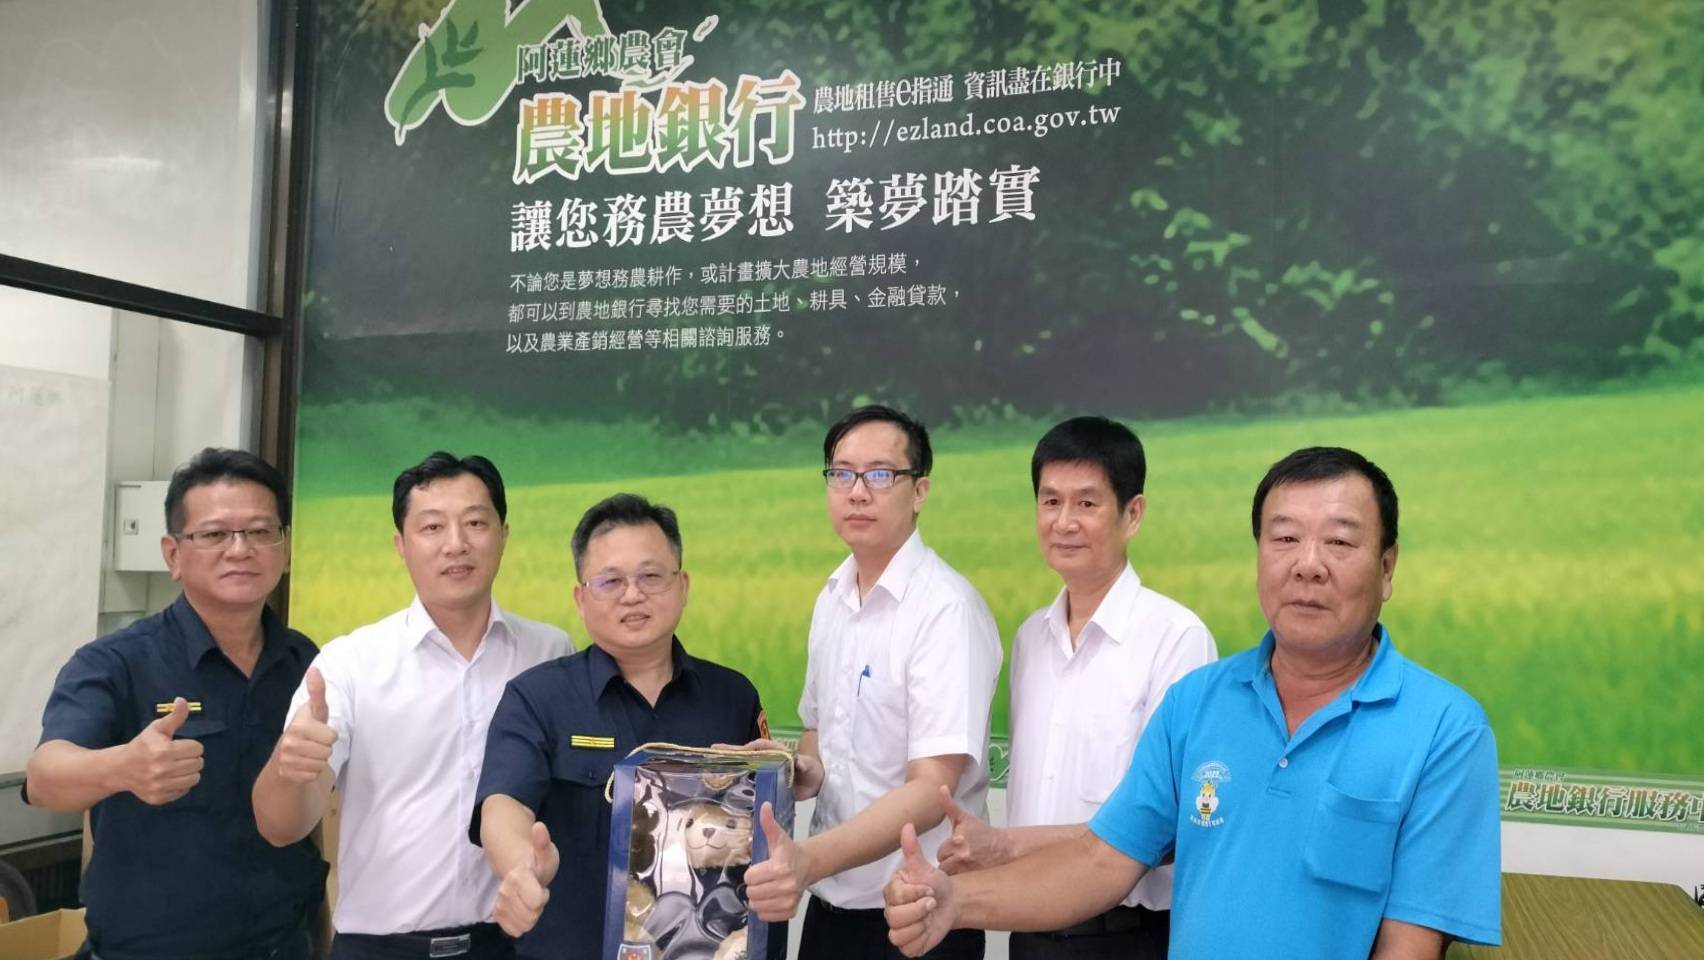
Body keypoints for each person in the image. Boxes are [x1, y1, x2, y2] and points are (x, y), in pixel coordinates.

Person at [884, 447, 1502, 960]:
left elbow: (1411, 944)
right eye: (1285, 538)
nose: (1307, 565)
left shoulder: (1445, 729)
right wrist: (956, 901)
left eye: (1339, 542)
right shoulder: (1198, 702)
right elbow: (1101, 862)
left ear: (1387, 568)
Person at [252, 452, 570, 960]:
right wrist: (290, 771)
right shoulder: (350, 663)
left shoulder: (551, 653)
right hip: (381, 948)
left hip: (515, 944)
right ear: (401, 545)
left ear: (504, 535)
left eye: (475, 523)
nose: (456, 544)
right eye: (432, 527)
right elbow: (280, 825)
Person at [25, 448, 324, 960]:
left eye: (260, 531)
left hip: (286, 946)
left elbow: (312, 813)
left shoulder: (307, 662)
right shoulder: (116, 662)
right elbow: (44, 778)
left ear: (286, 547)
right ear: (173, 555)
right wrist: (123, 766)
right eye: (214, 535)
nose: (240, 549)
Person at [935, 416, 1216, 959]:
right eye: (1050, 501)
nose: (1064, 522)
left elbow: (1169, 830)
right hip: (1028, 930)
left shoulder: (1176, 638)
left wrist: (1006, 845)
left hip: (1125, 936)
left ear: (1133, 514)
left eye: (1086, 503)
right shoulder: (1030, 639)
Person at [470, 493, 781, 959]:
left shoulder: (732, 697)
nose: (632, 595)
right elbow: (503, 804)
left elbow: (763, 823)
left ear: (682, 585)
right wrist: (520, 867)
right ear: (581, 598)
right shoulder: (536, 698)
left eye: (651, 576)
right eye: (610, 581)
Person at [744, 405, 1002, 959]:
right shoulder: (833, 597)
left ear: (920, 491)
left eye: (880, 474)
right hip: (832, 908)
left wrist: (810, 858)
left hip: (918, 914)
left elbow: (932, 791)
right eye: (842, 474)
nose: (857, 492)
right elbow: (819, 735)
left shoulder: (946, 610)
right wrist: (794, 768)